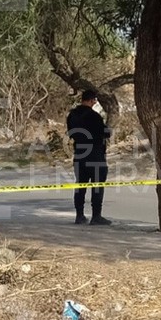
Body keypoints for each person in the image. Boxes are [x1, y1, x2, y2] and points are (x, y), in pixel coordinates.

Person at [66, 89, 112, 225]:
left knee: (80, 185)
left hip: (80, 154)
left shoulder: (72, 115)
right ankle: (96, 216)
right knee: (97, 185)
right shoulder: (95, 116)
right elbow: (105, 133)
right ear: (93, 101)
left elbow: (71, 133)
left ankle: (79, 215)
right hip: (95, 155)